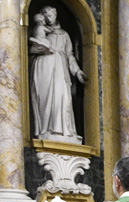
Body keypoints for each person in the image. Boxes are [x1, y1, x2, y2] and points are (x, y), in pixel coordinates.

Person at [29, 6, 86, 142]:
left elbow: (70, 55)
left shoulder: (64, 34)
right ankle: (45, 130)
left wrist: (77, 71)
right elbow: (31, 49)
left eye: (51, 15)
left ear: (56, 15)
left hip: (61, 68)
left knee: (62, 97)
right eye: (46, 15)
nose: (49, 18)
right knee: (45, 98)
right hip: (44, 67)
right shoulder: (40, 30)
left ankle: (63, 131)